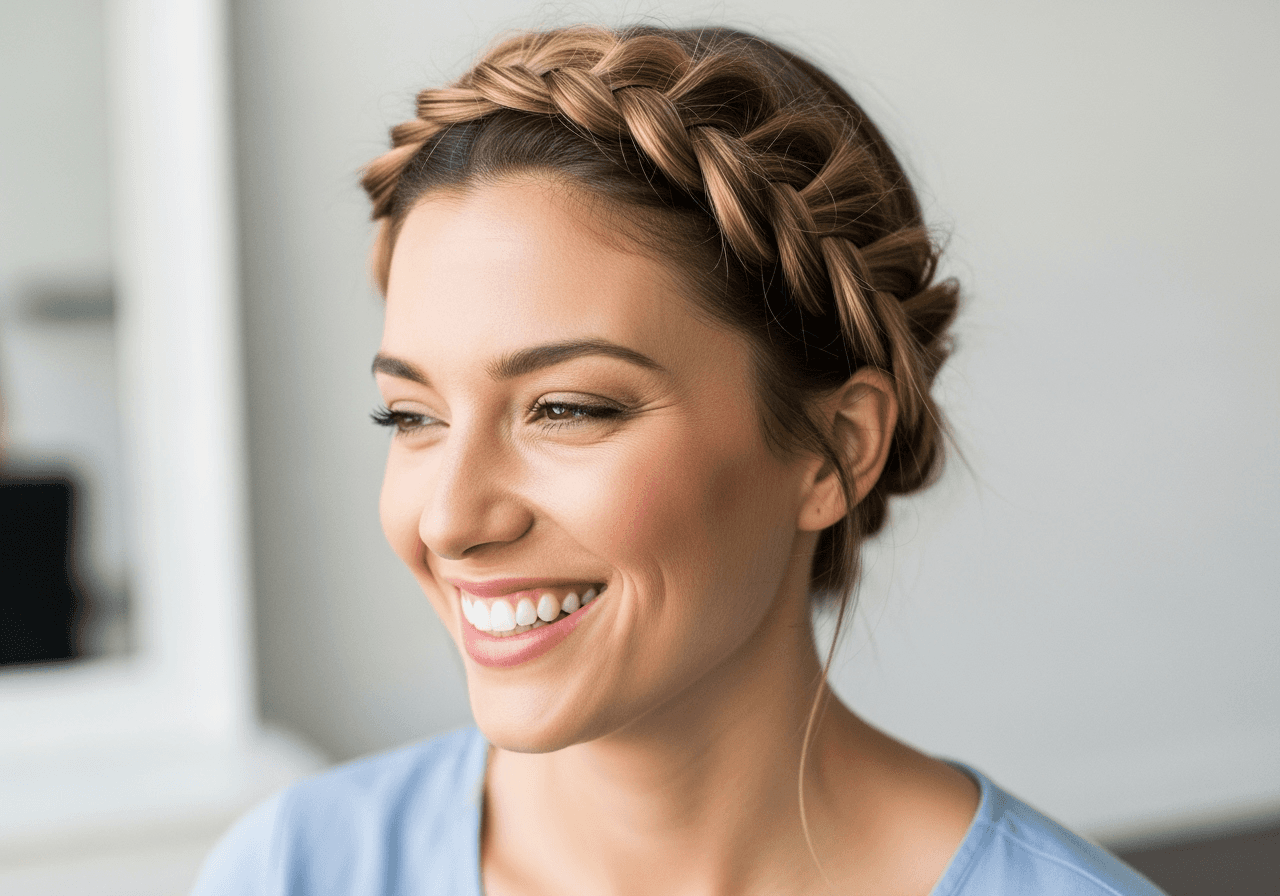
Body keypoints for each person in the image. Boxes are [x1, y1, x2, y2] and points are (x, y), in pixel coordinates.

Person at [193, 25, 1166, 895]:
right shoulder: (290, 869)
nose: (450, 518)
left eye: (564, 407)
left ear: (836, 450)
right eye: (410, 416)